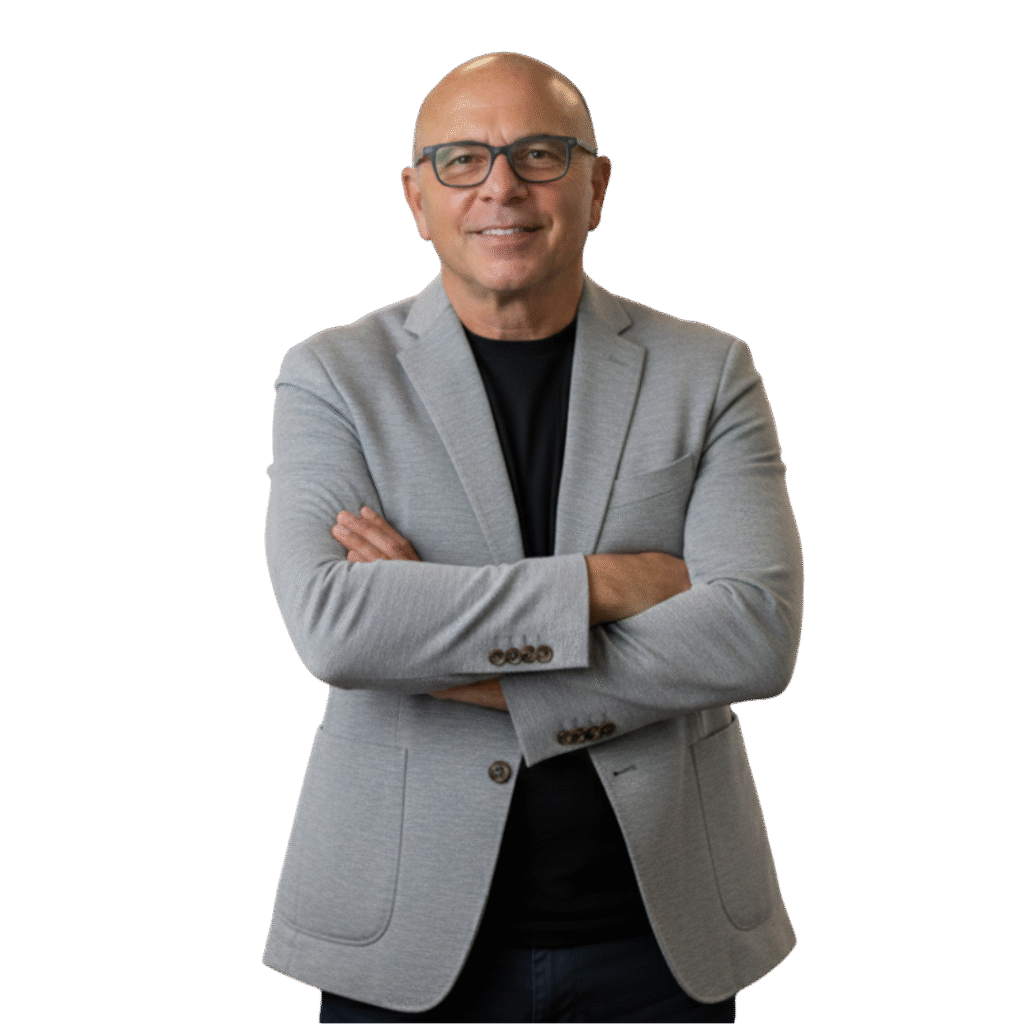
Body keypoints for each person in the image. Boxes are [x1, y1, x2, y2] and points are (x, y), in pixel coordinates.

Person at [262, 51, 803, 1024]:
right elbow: (338, 628)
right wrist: (609, 583)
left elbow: (754, 635)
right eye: (462, 159)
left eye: (540, 154)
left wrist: (443, 653)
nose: (502, 186)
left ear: (597, 188)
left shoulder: (708, 371)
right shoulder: (332, 376)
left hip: (660, 944)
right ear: (417, 197)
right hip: (402, 937)